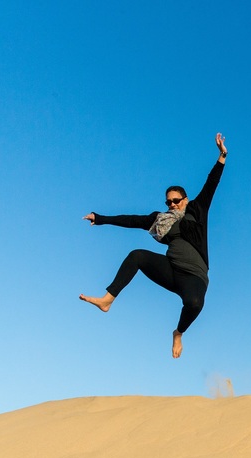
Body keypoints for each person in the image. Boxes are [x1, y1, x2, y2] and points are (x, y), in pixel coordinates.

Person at [79, 133, 228, 358]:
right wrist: (100, 218)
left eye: (176, 200)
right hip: (171, 270)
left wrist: (222, 156)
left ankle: (178, 333)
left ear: (185, 200)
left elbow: (211, 184)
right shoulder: (159, 220)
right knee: (137, 255)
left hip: (195, 276)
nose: (172, 204)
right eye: (168, 201)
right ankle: (108, 299)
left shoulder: (197, 209)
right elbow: (132, 220)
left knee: (194, 303)